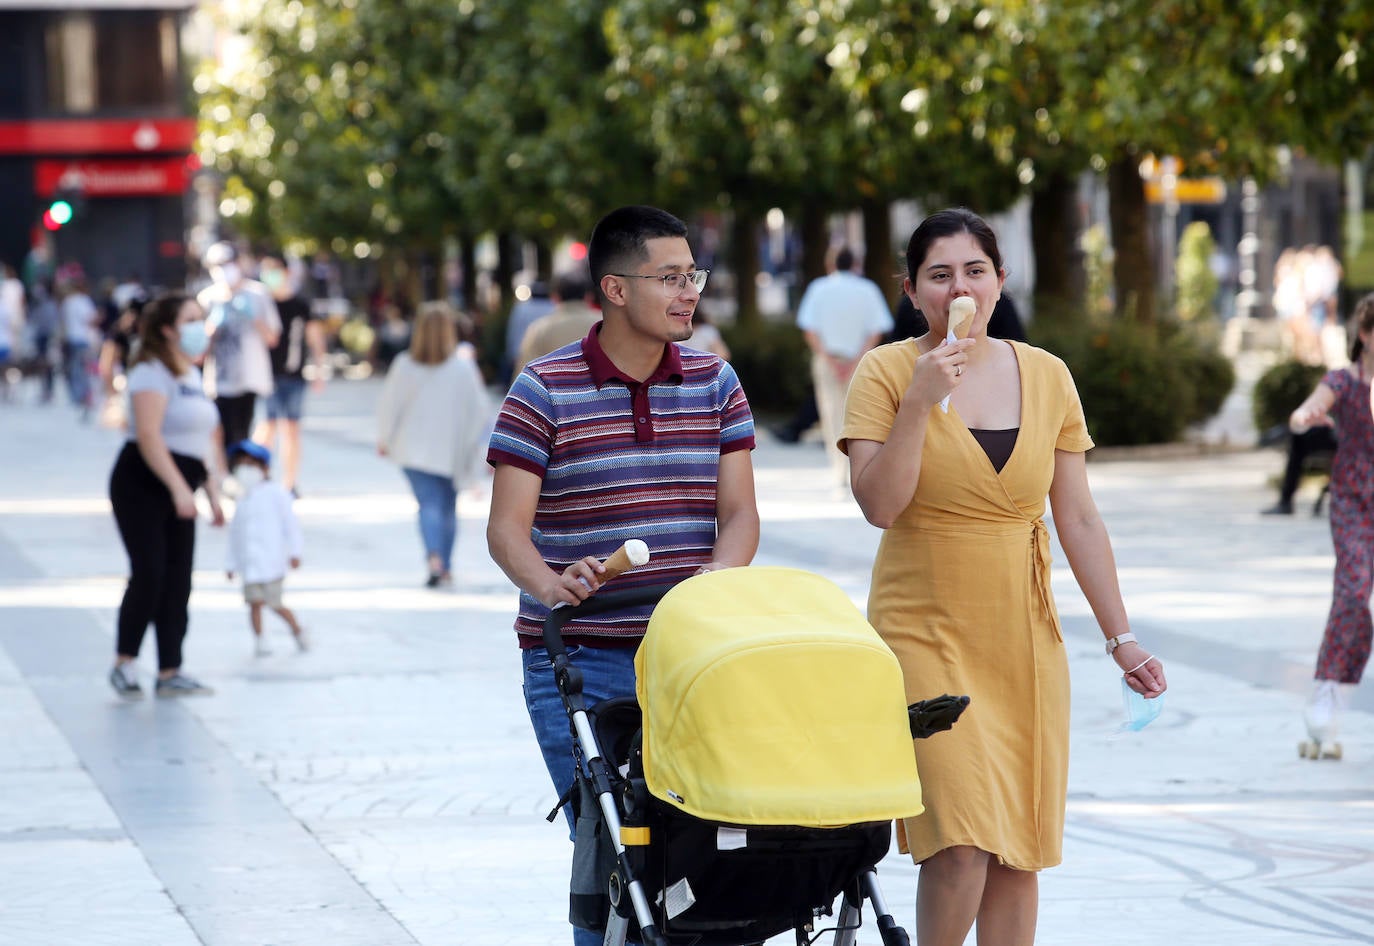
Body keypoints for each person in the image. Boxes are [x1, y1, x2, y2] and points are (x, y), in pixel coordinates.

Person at [839, 208, 1167, 946]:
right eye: (939, 274)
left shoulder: (1047, 375)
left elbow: (1078, 517)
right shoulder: (888, 372)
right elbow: (879, 505)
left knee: (1018, 852)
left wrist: (1123, 639)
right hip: (921, 631)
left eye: (975, 270)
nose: (960, 286)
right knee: (958, 843)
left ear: (1000, 280)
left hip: (1021, 637)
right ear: (911, 289)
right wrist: (921, 403)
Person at [485, 205, 760, 946]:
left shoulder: (716, 381)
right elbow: (506, 531)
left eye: (691, 275)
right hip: (581, 663)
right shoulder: (543, 389)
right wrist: (549, 584)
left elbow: (739, 518)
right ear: (612, 288)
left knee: (699, 858)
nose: (688, 292)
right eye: (668, 277)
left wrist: (711, 585)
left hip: (689, 660)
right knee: (616, 859)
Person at [108, 292, 224, 699]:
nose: (199, 327)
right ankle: (125, 661)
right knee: (150, 572)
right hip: (144, 483)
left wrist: (209, 491)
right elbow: (149, 436)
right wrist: (177, 488)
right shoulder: (149, 373)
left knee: (179, 580)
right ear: (167, 329)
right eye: (190, 319)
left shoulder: (189, 373)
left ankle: (170, 669)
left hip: (184, 485)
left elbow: (198, 438)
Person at [1287, 293, 1374, 753]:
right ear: (1365, 335)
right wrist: (1306, 417)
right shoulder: (1344, 380)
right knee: (1353, 595)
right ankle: (1328, 692)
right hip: (1354, 503)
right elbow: (1308, 408)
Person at [377, 301, 491, 587]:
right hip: (450, 450)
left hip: (412, 450)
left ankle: (433, 559)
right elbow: (480, 411)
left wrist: (384, 438)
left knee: (427, 504)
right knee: (448, 507)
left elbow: (391, 405)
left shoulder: (404, 364)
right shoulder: (462, 368)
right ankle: (447, 565)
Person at [796, 246, 894, 484]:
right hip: (860, 361)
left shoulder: (818, 288)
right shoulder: (868, 289)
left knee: (832, 414)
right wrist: (857, 359)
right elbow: (877, 329)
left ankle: (838, 469)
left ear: (830, 264)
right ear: (855, 264)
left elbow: (809, 329)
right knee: (859, 415)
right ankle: (856, 469)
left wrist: (830, 360)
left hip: (827, 359)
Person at [197, 242, 281, 472]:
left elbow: (273, 338)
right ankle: (225, 473)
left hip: (250, 378)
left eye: (228, 263)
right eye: (218, 265)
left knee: (243, 430)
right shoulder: (208, 298)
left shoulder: (258, 294)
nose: (224, 269)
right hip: (219, 379)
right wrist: (211, 327)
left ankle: (239, 472)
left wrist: (254, 318)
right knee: (220, 430)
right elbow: (197, 349)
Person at [225, 439, 307, 656]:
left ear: (264, 468)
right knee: (254, 603)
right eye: (242, 464)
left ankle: (297, 630)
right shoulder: (242, 498)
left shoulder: (277, 494)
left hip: (271, 562)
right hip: (250, 563)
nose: (246, 469)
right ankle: (260, 639)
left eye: (251, 464)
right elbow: (235, 534)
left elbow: (291, 525)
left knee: (275, 603)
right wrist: (231, 563)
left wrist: (295, 552)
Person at [254, 251, 326, 496]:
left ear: (286, 272)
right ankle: (260, 476)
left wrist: (319, 370)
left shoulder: (301, 305)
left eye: (274, 270)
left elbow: (315, 340)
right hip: (266, 376)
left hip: (294, 375)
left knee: (291, 430)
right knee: (267, 426)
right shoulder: (260, 304)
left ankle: (290, 481)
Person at [512, 270, 602, 378]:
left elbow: (525, 375)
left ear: (555, 297)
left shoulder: (540, 329)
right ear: (589, 296)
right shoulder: (605, 323)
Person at [58, 274, 100, 417]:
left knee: (74, 368)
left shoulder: (67, 302)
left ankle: (76, 395)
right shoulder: (83, 301)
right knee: (84, 369)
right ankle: (84, 395)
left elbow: (63, 322)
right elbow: (90, 319)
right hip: (83, 338)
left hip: (71, 338)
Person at [502, 279, 556, 386]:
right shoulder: (553, 307)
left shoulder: (521, 308)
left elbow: (513, 332)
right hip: (548, 355)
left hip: (524, 354)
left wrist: (511, 353)